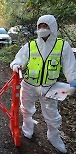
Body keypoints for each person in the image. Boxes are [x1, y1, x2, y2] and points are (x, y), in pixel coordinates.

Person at [10, 15, 76, 153]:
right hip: (29, 85)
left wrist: (73, 82)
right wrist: (16, 65)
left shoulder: (62, 46)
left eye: (45, 26)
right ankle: (27, 128)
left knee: (52, 114)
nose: (42, 29)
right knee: (25, 109)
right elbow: (19, 59)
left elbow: (70, 66)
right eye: (39, 26)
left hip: (50, 87)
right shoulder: (31, 45)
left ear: (52, 27)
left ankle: (53, 137)